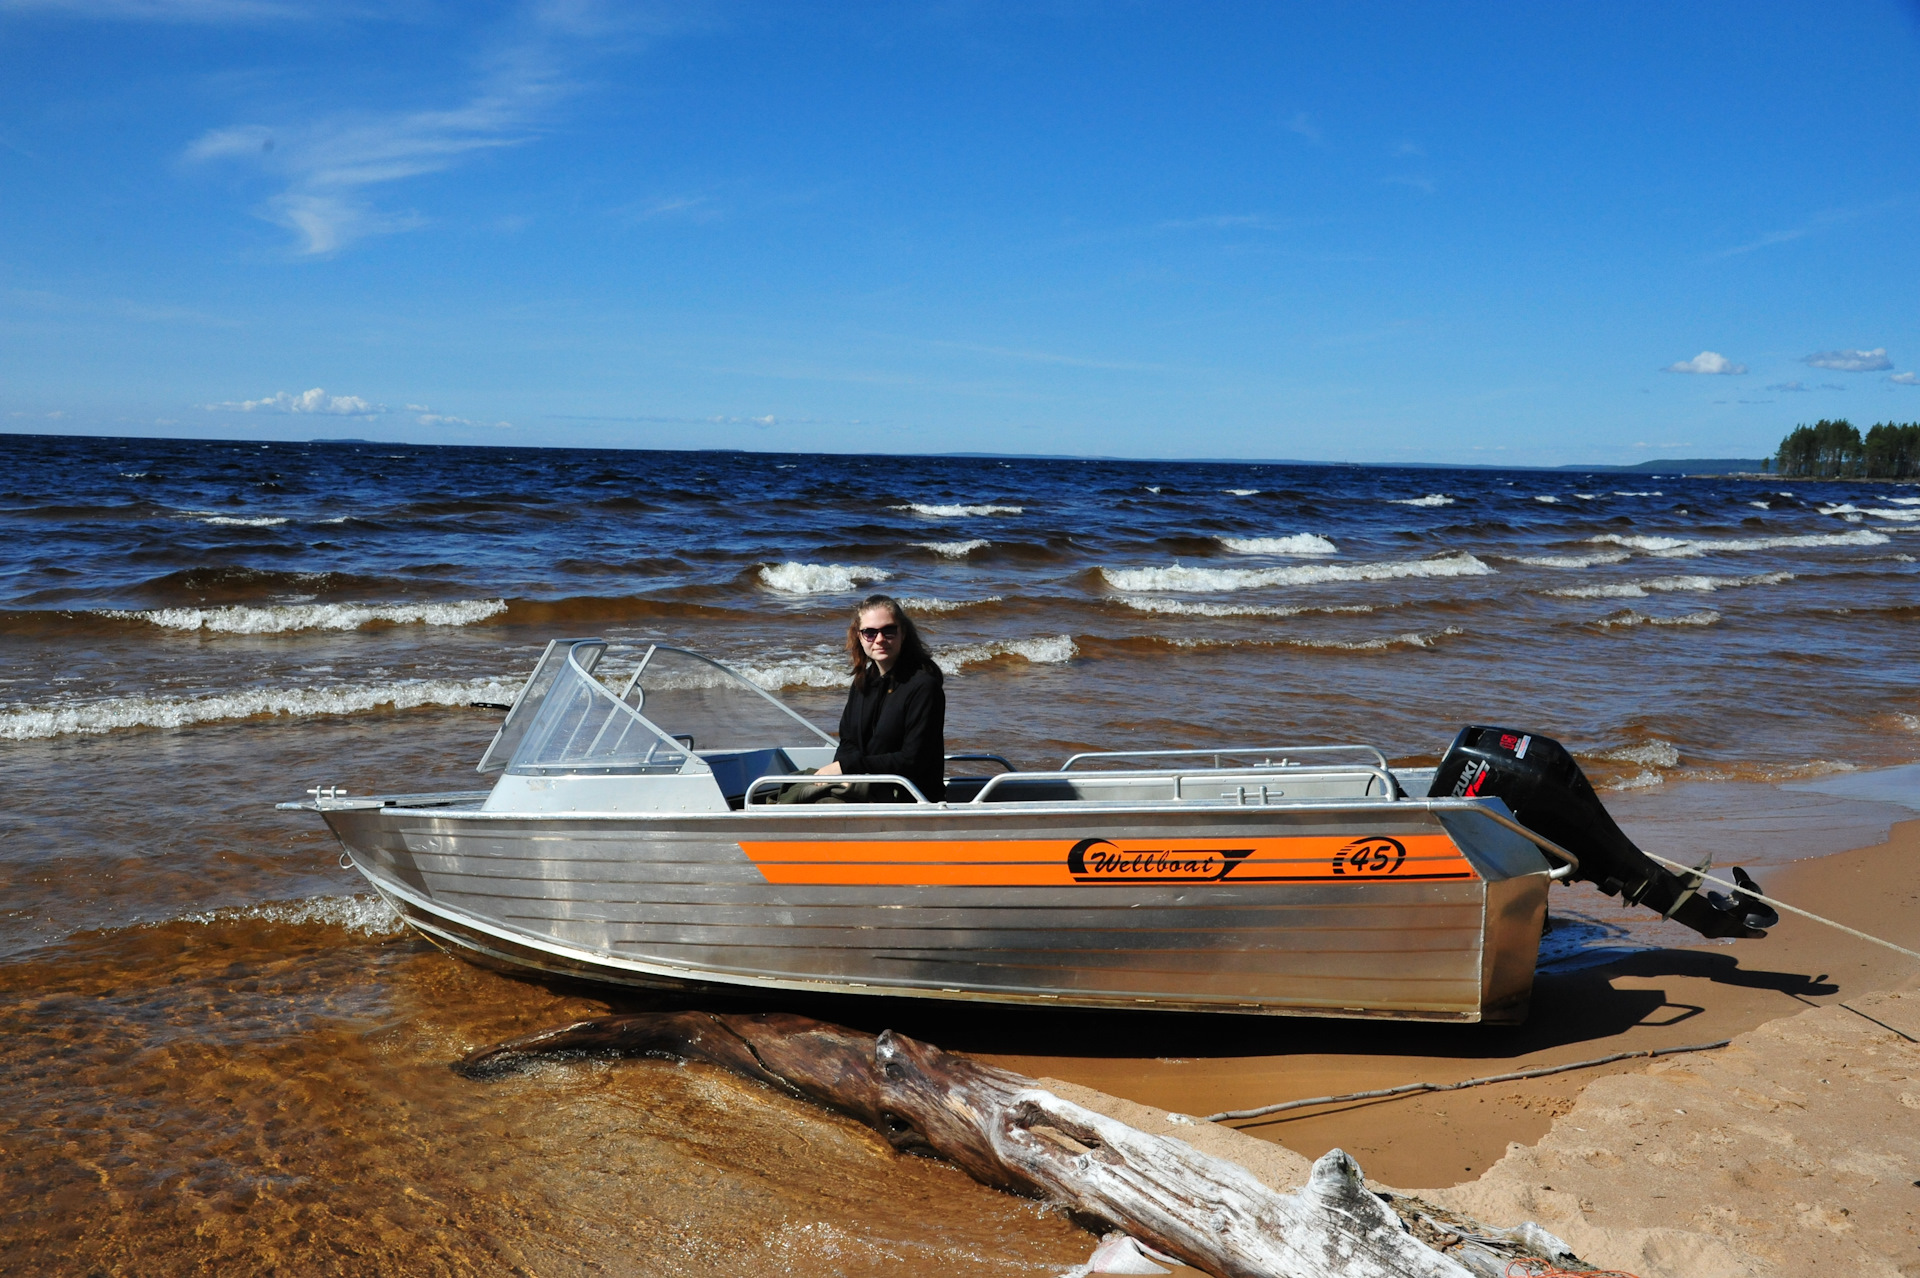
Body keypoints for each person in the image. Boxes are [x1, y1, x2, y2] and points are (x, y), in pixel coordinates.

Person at [811, 594, 946, 802]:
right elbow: (848, 741)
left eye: (889, 630)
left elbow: (913, 760)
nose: (880, 639)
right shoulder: (862, 682)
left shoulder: (923, 686)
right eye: (870, 633)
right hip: (866, 789)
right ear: (859, 636)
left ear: (903, 633)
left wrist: (847, 767)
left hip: (911, 799)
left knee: (820, 805)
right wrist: (845, 772)